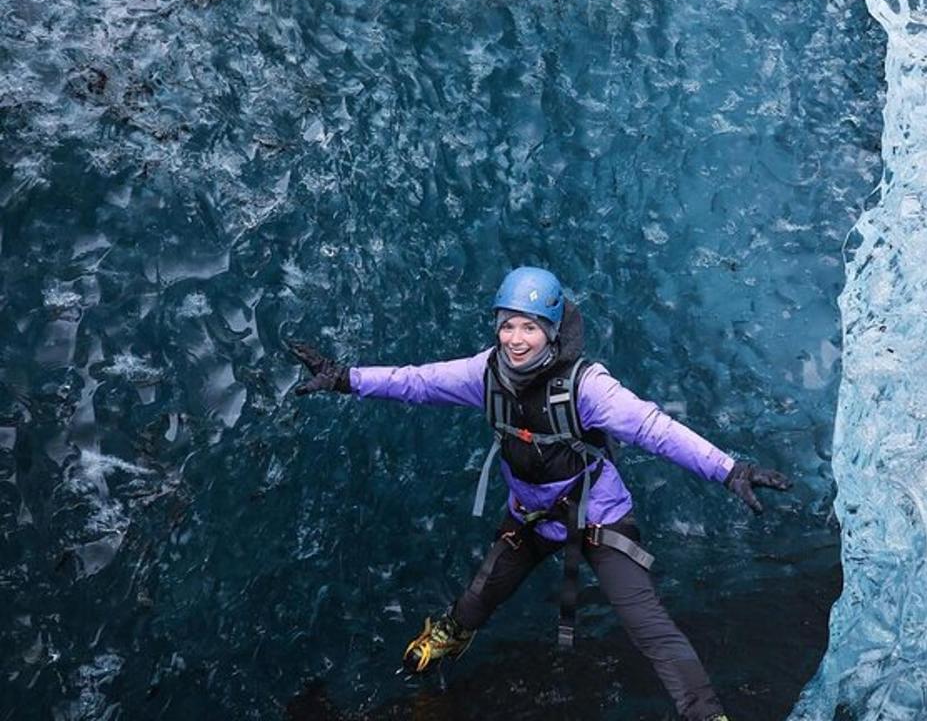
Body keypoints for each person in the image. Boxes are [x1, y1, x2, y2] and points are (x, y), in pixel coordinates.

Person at [288, 266, 791, 721]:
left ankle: (706, 716)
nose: (515, 338)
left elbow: (655, 430)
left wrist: (730, 470)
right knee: (474, 602)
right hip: (529, 517)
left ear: (551, 331)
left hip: (599, 520)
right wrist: (344, 380)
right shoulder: (486, 374)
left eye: (528, 326)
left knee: (649, 624)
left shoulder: (586, 386)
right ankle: (454, 632)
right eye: (507, 324)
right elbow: (417, 382)